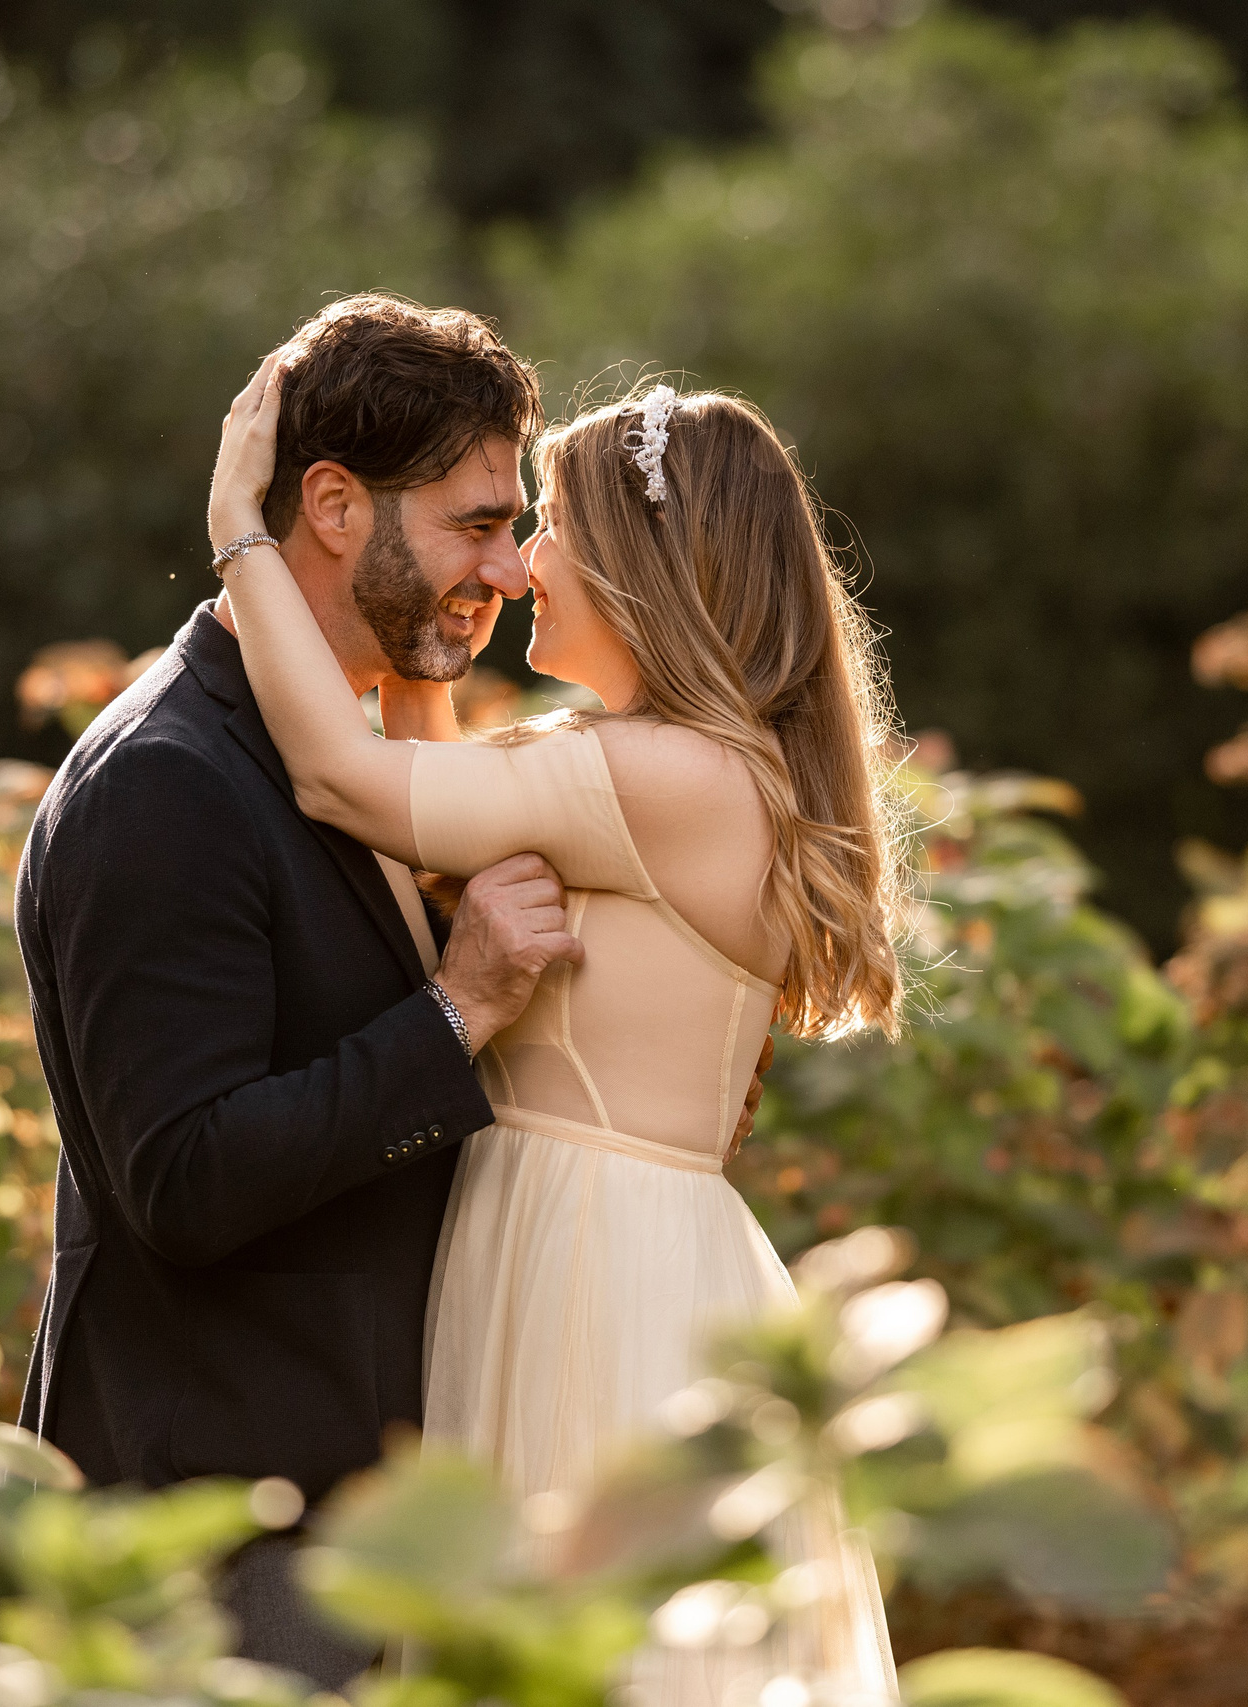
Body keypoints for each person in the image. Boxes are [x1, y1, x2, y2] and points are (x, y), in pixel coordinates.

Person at [206, 350, 907, 1704]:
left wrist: (242, 530)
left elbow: (346, 782)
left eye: (555, 532)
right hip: (598, 1233)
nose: (521, 564)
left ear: (648, 570)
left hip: (590, 1255)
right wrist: (425, 661)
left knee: (576, 1645)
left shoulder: (652, 775)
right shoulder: (680, 765)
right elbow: (431, 790)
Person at [12, 296, 577, 1687]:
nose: (508, 571)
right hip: (227, 1539)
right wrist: (456, 1013)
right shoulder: (169, 781)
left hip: (353, 1516)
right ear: (332, 506)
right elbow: (186, 1179)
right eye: (476, 522)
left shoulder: (347, 758)